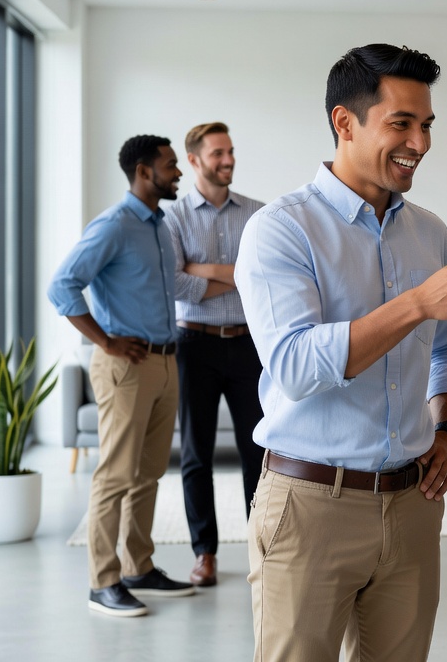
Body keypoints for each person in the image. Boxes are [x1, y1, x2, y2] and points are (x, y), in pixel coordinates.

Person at [235, 43, 447, 662]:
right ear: (344, 123)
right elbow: (298, 366)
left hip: (413, 506)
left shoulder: (430, 231)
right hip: (310, 507)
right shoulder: (281, 229)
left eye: (427, 125)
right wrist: (416, 302)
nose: (421, 141)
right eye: (402, 124)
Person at [47, 135, 197, 618]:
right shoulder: (113, 225)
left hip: (166, 360)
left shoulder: (159, 225)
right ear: (142, 170)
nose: (177, 173)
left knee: (149, 473)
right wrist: (106, 341)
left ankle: (139, 567)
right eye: (170, 165)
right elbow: (62, 286)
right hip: (126, 366)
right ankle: (102, 581)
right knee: (114, 475)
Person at [162, 121, 266, 588]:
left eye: (230, 151)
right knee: (196, 455)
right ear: (195, 161)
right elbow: (175, 283)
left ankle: (262, 545)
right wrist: (235, 274)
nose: (228, 160)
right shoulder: (174, 218)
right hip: (195, 343)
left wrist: (205, 270)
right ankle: (204, 553)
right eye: (218, 153)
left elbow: (264, 278)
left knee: (258, 450)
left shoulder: (259, 214)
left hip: (248, 344)